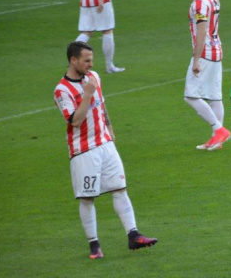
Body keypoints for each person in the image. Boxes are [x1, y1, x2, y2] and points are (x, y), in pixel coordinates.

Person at [53, 41, 157, 259]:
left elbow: (102, 104)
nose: (91, 64)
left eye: (92, 60)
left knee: (120, 188)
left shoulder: (95, 77)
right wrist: (87, 94)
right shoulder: (62, 90)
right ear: (73, 60)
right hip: (84, 151)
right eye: (86, 60)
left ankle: (134, 235)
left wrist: (110, 129)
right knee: (87, 198)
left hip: (105, 144)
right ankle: (94, 245)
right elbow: (74, 120)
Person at [185, 0, 231, 151]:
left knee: (190, 96)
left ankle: (218, 130)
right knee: (214, 96)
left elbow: (202, 29)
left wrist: (196, 60)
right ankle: (216, 140)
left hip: (205, 53)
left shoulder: (199, 2)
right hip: (217, 50)